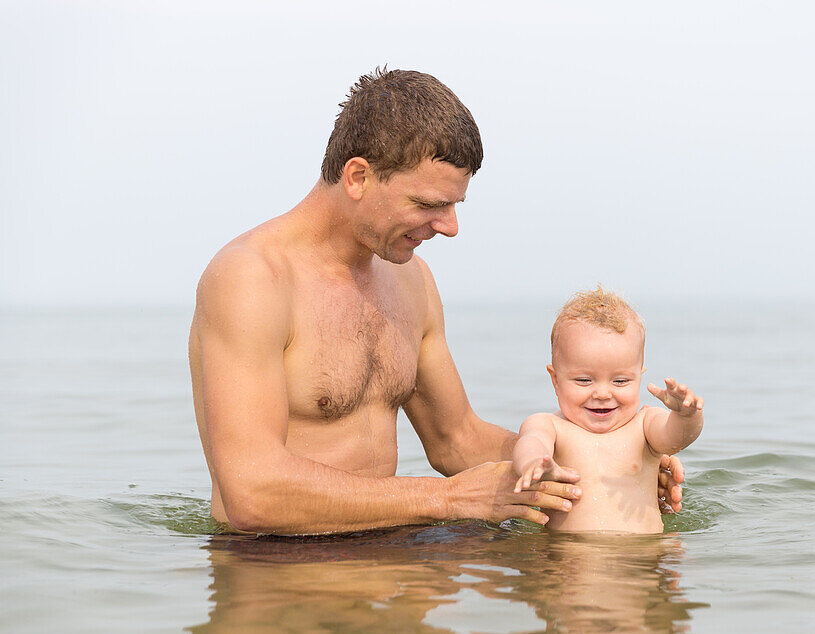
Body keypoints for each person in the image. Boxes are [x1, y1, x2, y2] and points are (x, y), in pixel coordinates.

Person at [188, 69, 684, 535]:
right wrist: (445, 500)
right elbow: (250, 494)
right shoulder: (253, 278)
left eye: (454, 205)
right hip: (277, 568)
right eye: (428, 204)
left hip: (395, 549)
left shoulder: (411, 280)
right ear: (358, 177)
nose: (449, 226)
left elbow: (456, 440)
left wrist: (609, 460)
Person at [513, 287, 703, 533]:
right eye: (584, 380)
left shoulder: (644, 426)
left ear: (639, 376)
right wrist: (534, 462)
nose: (602, 394)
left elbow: (677, 437)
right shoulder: (550, 426)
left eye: (620, 381)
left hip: (642, 560)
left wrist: (687, 415)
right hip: (566, 559)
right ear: (555, 380)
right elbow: (531, 441)